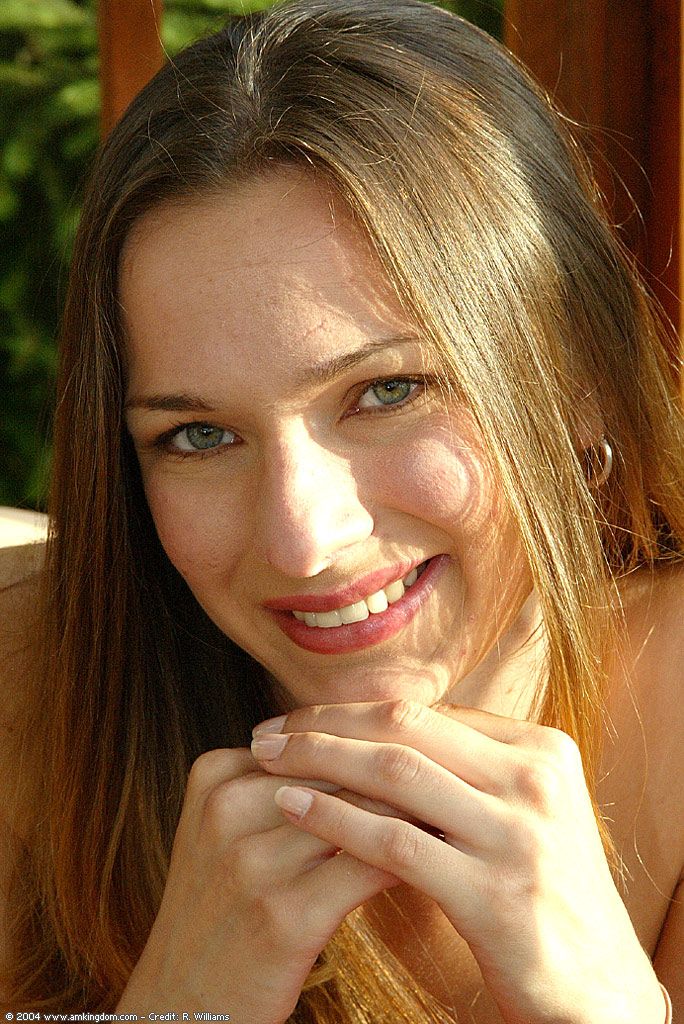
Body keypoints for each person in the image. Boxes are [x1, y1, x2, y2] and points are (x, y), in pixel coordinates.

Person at [0, 1, 681, 1020]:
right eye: (198, 436)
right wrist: (176, 1003)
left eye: (388, 391)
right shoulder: (33, 706)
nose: (303, 540)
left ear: (577, 379)